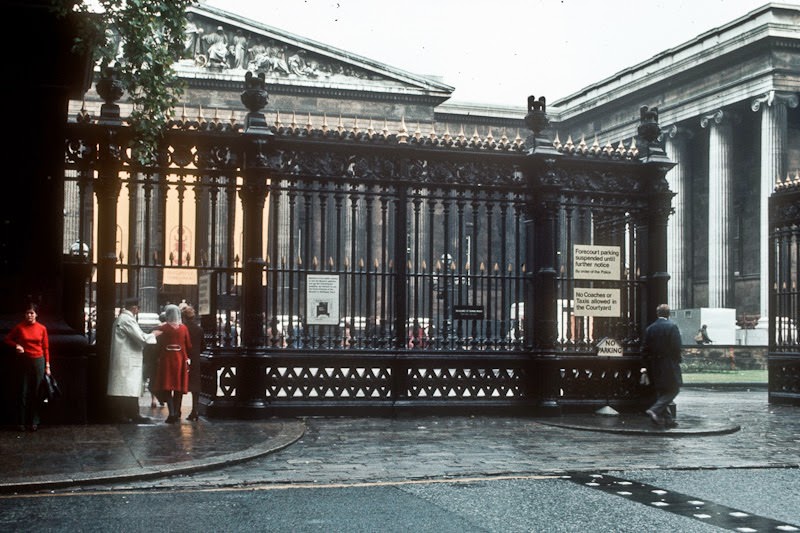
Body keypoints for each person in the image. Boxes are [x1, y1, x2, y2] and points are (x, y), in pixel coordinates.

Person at [107, 298, 160, 424]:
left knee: (128, 388)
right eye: (138, 308)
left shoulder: (122, 318)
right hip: (127, 361)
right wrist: (154, 334)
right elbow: (140, 337)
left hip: (126, 360)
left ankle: (130, 413)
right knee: (126, 388)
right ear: (134, 308)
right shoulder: (127, 320)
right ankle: (126, 414)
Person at [4, 303, 50, 431]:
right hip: (24, 361)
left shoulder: (42, 328)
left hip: (39, 361)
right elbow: (7, 339)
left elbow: (46, 348)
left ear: (36, 314)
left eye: (32, 313)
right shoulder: (20, 327)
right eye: (27, 313)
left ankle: (34, 421)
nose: (29, 315)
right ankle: (21, 422)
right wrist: (16, 345)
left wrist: (47, 365)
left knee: (37, 392)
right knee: (23, 391)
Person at [642, 303, 683, 428]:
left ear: (657, 314)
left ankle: (669, 419)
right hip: (669, 364)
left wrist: (645, 366)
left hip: (654, 364)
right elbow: (676, 347)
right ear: (669, 314)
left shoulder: (650, 328)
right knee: (674, 389)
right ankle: (655, 409)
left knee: (661, 391)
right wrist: (677, 360)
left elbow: (644, 349)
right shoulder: (672, 327)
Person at [153, 304, 192, 423]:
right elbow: (189, 345)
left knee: (167, 386)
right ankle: (177, 411)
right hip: (180, 359)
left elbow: (156, 344)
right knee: (179, 387)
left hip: (166, 360)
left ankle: (172, 413)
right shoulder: (184, 328)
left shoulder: (163, 328)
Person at [181, 305, 205, 421]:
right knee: (195, 387)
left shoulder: (182, 328)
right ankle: (195, 410)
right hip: (195, 359)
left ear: (183, 317)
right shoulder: (199, 329)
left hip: (183, 358)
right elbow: (203, 346)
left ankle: (177, 410)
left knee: (180, 385)